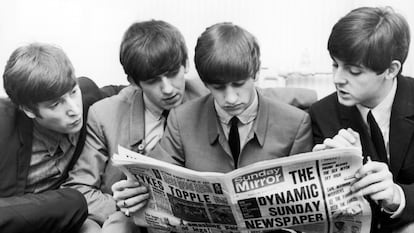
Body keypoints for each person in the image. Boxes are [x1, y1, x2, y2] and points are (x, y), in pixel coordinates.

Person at [114, 22, 313, 233]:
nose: (230, 98)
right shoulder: (182, 119)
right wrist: (131, 195)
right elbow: (153, 185)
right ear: (205, 84)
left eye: (238, 84)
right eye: (218, 87)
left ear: (255, 73)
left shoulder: (296, 123)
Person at [63, 20, 209, 233]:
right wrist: (125, 205)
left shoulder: (210, 97)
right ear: (134, 81)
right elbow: (79, 190)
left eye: (172, 73)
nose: (167, 89)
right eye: (153, 81)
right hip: (129, 220)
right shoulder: (104, 114)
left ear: (185, 64)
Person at [309, 6, 414, 233]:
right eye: (335, 65)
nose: (337, 79)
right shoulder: (321, 114)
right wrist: (324, 176)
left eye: (354, 71)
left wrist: (398, 197)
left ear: (391, 70)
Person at [0, 43, 102, 233]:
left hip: (57, 221)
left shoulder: (89, 96)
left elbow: (130, 92)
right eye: (56, 104)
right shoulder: (4, 126)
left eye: (73, 92)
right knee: (73, 202)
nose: (74, 109)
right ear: (29, 110)